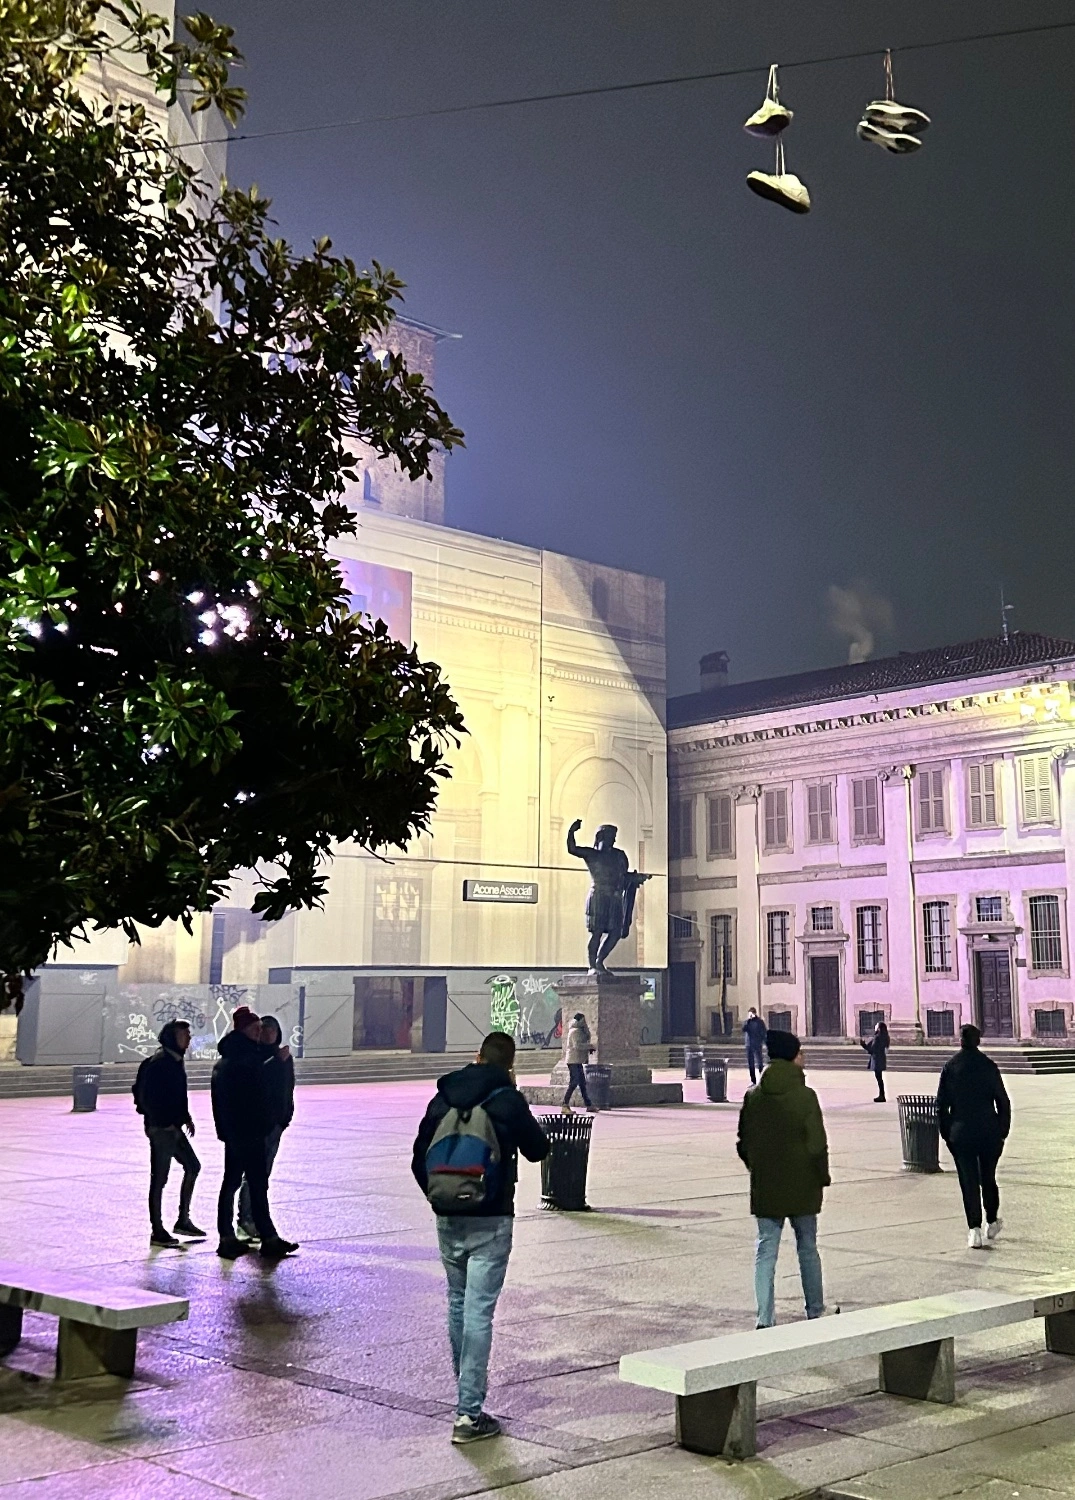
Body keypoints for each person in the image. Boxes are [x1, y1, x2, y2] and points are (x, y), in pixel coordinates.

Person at [412, 1031, 550, 1445]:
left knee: (457, 1302)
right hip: (491, 1218)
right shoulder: (507, 1099)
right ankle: (468, 1413)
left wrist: (442, 1196)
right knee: (478, 1312)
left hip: (448, 1218)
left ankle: (466, 1396)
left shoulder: (443, 1097)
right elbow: (538, 1149)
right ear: (510, 1064)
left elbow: (419, 1158)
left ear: (477, 1057)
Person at [736, 1029, 830, 1329]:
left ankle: (764, 1318)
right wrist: (822, 1177)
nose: (803, 1057)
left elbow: (744, 1142)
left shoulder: (753, 1096)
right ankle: (815, 1309)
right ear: (792, 1057)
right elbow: (817, 1144)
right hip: (803, 1183)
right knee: (808, 1248)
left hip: (767, 1184)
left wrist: (758, 1168)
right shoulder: (806, 1096)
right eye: (800, 1052)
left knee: (766, 1250)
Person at [211, 1005, 299, 1261]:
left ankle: (260, 1236)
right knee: (241, 1184)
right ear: (245, 1029)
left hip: (243, 1132)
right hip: (246, 1132)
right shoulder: (241, 1058)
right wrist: (276, 1063)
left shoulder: (240, 1055)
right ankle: (236, 1237)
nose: (260, 1032)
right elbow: (252, 1091)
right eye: (256, 1028)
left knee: (248, 1184)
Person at [936, 1024, 1011, 1249]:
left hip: (961, 1132)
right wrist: (1002, 1131)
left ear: (960, 1040)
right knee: (988, 1177)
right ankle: (992, 1221)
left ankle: (974, 1230)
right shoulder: (989, 1066)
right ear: (978, 1041)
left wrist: (947, 1134)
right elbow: (1003, 1101)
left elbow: (941, 1105)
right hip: (988, 1131)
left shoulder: (951, 1067)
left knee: (968, 1181)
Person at [133, 1019, 204, 1247]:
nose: (188, 1038)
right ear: (172, 1038)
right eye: (184, 1034)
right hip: (162, 1129)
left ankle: (183, 1219)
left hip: (173, 1127)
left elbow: (177, 1095)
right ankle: (157, 1230)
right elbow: (147, 1097)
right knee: (160, 1179)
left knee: (193, 1166)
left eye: (188, 1034)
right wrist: (165, 1122)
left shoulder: (175, 1060)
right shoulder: (160, 1063)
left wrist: (185, 1117)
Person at [566, 819, 651, 974]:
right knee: (597, 932)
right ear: (601, 837)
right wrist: (572, 831)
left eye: (614, 837)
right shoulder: (592, 854)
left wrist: (636, 878)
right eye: (610, 837)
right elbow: (572, 849)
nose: (613, 840)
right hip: (598, 896)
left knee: (616, 933)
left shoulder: (619, 856)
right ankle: (592, 965)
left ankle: (599, 962)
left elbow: (623, 877)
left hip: (615, 898)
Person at [237, 1015, 295, 1242]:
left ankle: (257, 1220)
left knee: (264, 1174)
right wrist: (276, 1062)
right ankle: (246, 1219)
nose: (269, 1034)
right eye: (265, 1030)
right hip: (259, 1124)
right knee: (253, 1175)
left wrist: (285, 1117)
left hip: (276, 1124)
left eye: (273, 1030)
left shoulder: (283, 1058)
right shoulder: (258, 1056)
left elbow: (288, 1088)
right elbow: (258, 1081)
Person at [561, 1012, 594, 1114]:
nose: (585, 1022)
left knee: (582, 1083)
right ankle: (565, 1105)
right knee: (574, 1082)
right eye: (583, 1020)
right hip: (573, 1061)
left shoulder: (580, 1030)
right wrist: (589, 1046)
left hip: (577, 1060)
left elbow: (585, 1039)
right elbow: (577, 1045)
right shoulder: (575, 1031)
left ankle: (589, 1105)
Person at [860, 1019, 890, 1102]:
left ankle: (882, 1095)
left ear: (879, 1028)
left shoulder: (877, 1038)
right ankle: (882, 1095)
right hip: (881, 1058)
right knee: (880, 1078)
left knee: (879, 1078)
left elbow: (872, 1050)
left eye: (876, 1026)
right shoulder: (885, 1037)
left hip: (876, 1059)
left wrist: (863, 1045)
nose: (875, 1027)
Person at [743, 1007, 767, 1086]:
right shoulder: (747, 1022)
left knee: (760, 1062)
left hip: (757, 1044)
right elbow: (743, 1029)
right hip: (749, 1044)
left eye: (752, 1014)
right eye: (749, 1014)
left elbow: (763, 1032)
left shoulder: (759, 1022)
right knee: (751, 1063)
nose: (750, 1015)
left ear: (755, 1013)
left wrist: (763, 1041)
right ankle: (753, 1080)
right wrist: (748, 1021)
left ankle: (762, 1079)